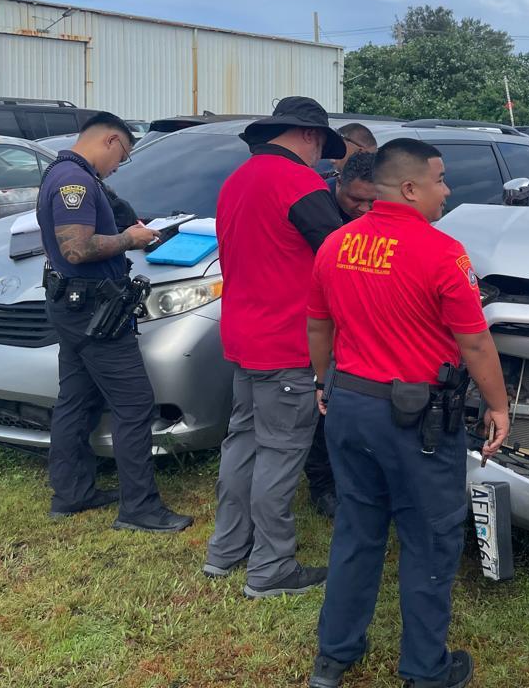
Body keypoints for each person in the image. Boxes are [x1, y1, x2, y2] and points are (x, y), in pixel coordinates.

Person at [305, 139, 510, 688]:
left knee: (357, 527)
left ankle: (333, 656)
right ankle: (426, 670)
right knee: (430, 539)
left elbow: (319, 326)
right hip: (414, 420)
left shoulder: (336, 245)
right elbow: (475, 344)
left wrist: (324, 380)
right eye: (441, 180)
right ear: (411, 187)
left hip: (348, 406)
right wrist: (497, 404)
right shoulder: (443, 252)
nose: (448, 191)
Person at [202, 97, 347, 598]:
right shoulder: (298, 182)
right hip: (288, 342)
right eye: (321, 149)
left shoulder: (237, 180)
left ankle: (226, 549)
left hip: (243, 336)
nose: (321, 160)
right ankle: (270, 568)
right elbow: (339, 256)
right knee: (281, 453)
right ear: (308, 136)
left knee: (241, 444)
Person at [39, 111, 193, 533]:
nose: (118, 166)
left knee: (76, 399)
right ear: (110, 141)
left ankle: (72, 493)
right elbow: (76, 248)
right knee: (133, 405)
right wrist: (132, 239)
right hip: (95, 312)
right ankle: (139, 508)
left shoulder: (64, 171)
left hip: (73, 307)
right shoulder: (75, 182)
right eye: (122, 156)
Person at [303, 151, 378, 518]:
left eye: (372, 200)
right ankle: (322, 485)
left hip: (365, 329)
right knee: (324, 407)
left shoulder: (382, 221)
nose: (364, 208)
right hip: (324, 323)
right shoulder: (320, 216)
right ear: (338, 185)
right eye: (355, 199)